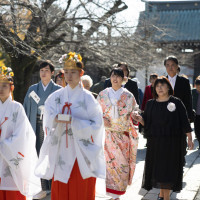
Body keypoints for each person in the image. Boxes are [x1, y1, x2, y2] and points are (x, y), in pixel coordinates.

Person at [35, 52, 106, 200]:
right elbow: (47, 114)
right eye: (66, 72)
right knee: (61, 188)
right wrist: (56, 118)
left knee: (80, 188)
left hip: (81, 150)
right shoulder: (55, 97)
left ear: (81, 73)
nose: (68, 76)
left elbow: (97, 125)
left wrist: (73, 121)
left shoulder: (88, 99)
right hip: (61, 148)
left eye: (73, 72)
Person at [133, 76, 194, 200]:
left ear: (168, 88)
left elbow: (184, 122)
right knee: (160, 171)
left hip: (173, 143)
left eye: (162, 85)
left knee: (168, 170)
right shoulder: (150, 104)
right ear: (154, 89)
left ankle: (164, 197)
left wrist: (189, 139)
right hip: (155, 143)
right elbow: (147, 123)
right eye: (157, 86)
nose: (159, 88)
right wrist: (140, 120)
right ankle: (163, 196)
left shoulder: (176, 102)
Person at [0, 66, 41, 200]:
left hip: (9, 155)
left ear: (11, 87)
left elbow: (22, 134)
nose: (1, 89)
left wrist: (3, 145)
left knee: (12, 189)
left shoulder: (17, 108)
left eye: (5, 86)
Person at [97, 68, 138, 200]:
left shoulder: (129, 96)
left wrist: (135, 115)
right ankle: (111, 194)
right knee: (109, 164)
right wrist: (102, 118)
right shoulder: (103, 94)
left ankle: (118, 193)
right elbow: (96, 111)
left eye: (118, 76)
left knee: (121, 164)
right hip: (108, 134)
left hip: (123, 135)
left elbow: (134, 111)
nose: (115, 79)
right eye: (113, 76)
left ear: (123, 79)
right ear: (110, 77)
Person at [23, 60, 61, 198]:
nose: (43, 73)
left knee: (52, 154)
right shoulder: (32, 89)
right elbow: (26, 109)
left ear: (52, 73)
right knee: (39, 153)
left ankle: (54, 186)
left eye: (46, 70)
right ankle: (43, 187)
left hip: (52, 127)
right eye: (41, 70)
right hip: (36, 124)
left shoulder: (58, 90)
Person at [164, 56, 193, 121]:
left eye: (173, 65)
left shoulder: (184, 81)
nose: (170, 67)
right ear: (165, 67)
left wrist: (188, 115)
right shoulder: (162, 81)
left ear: (177, 66)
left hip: (180, 114)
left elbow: (188, 99)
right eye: (167, 65)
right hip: (164, 114)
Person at [192, 76, 200, 149]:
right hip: (196, 115)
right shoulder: (193, 92)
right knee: (197, 131)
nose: (198, 88)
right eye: (197, 86)